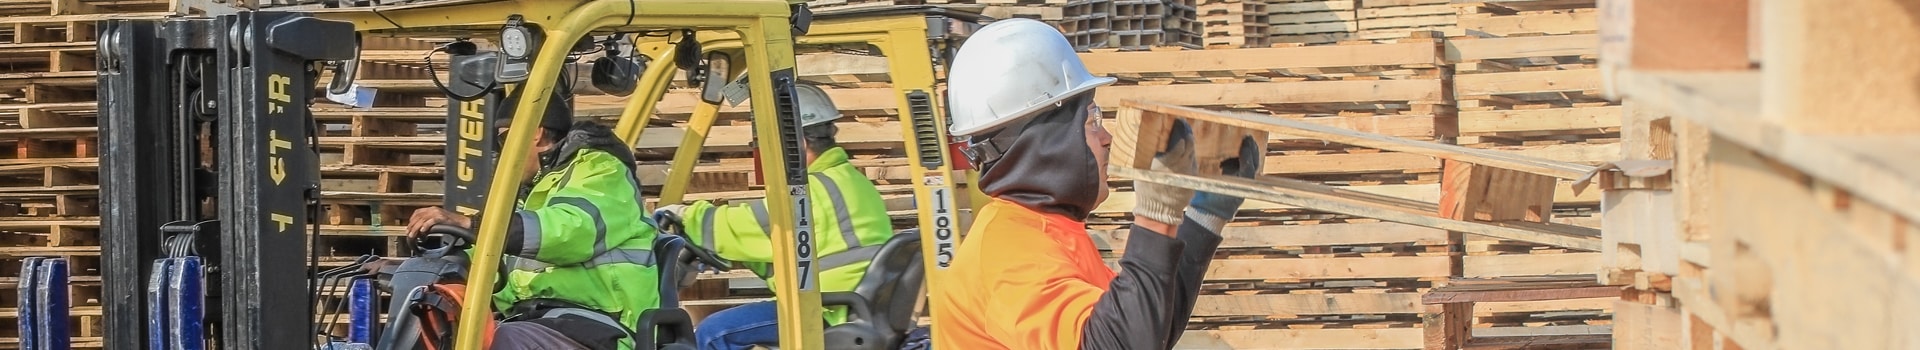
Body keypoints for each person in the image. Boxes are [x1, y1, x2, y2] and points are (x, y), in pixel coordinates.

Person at [927, 18, 1263, 350]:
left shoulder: (1046, 232)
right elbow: (1119, 343)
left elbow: (1147, 328)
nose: (1106, 139)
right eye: (1091, 121)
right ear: (1047, 139)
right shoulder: (1008, 251)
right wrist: (1155, 214)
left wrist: (1206, 215)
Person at [403, 87, 662, 350]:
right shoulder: (528, 192)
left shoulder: (600, 170)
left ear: (535, 133)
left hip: (600, 328)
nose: (502, 155)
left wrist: (475, 224)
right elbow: (493, 263)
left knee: (499, 342)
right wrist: (417, 267)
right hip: (541, 320)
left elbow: (569, 231)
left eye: (504, 141)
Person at [650, 84, 896, 350]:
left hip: (826, 310)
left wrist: (686, 215)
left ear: (797, 143)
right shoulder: (848, 180)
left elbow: (745, 225)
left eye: (767, 145)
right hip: (848, 304)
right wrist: (725, 251)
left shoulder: (809, 191)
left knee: (712, 333)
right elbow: (785, 242)